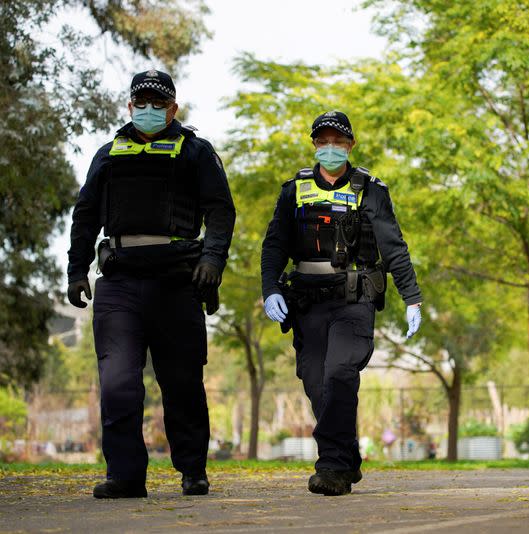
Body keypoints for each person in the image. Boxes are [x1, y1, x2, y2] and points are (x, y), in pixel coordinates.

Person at [66, 70, 236, 498]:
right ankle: (125, 476)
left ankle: (193, 470)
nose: (147, 109)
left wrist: (214, 259)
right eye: (140, 102)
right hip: (120, 281)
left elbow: (220, 211)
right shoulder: (108, 154)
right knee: (118, 382)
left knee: (181, 382)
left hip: (176, 282)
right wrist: (75, 269)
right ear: (129, 106)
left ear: (173, 108)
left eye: (157, 103)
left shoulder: (196, 152)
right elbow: (85, 216)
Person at [261, 110, 423, 496]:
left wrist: (411, 297)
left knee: (339, 375)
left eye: (338, 141)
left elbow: (394, 247)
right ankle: (347, 452)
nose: (330, 148)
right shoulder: (294, 190)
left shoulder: (371, 190)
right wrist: (270, 289)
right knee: (316, 382)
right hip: (307, 303)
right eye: (323, 141)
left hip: (354, 300)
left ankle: (331, 467)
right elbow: (274, 246)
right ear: (314, 145)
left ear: (350, 145)